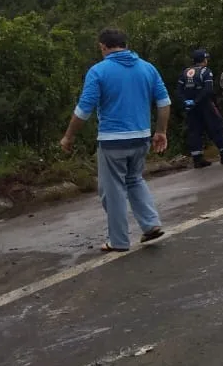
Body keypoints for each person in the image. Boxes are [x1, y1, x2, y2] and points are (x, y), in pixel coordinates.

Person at [59, 28, 170, 252]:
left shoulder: (98, 71)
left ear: (103, 46)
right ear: (125, 44)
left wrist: (68, 137)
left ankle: (118, 241)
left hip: (113, 140)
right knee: (134, 179)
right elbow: (164, 102)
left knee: (112, 190)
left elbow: (83, 110)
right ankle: (151, 224)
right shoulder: (148, 68)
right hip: (141, 137)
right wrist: (161, 131)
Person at [177, 48, 223, 167]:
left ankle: (197, 158)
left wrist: (186, 102)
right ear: (204, 60)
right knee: (217, 126)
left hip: (190, 106)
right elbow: (208, 89)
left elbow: (179, 91)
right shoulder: (205, 71)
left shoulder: (185, 72)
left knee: (194, 130)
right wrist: (196, 101)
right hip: (205, 104)